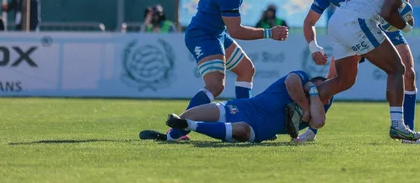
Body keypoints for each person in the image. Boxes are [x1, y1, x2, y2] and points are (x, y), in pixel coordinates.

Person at [164, 0, 298, 142]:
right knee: (216, 85)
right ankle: (176, 131)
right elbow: (235, 31)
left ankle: (249, 120)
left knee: (246, 69)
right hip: (203, 34)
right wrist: (270, 33)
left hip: (215, 33)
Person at [301, 0, 420, 144]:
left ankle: (407, 133)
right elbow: (309, 22)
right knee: (336, 79)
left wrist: (402, 9)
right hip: (355, 28)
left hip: (384, 24)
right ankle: (310, 130)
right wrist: (314, 47)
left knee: (408, 72)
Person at [140, 70, 328, 143]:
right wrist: (307, 98)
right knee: (194, 112)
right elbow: (292, 81)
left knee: (242, 130)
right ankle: (170, 138)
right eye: (313, 86)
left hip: (255, 129)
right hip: (241, 107)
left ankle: (189, 126)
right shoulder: (301, 77)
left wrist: (313, 96)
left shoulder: (321, 104)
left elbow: (318, 122)